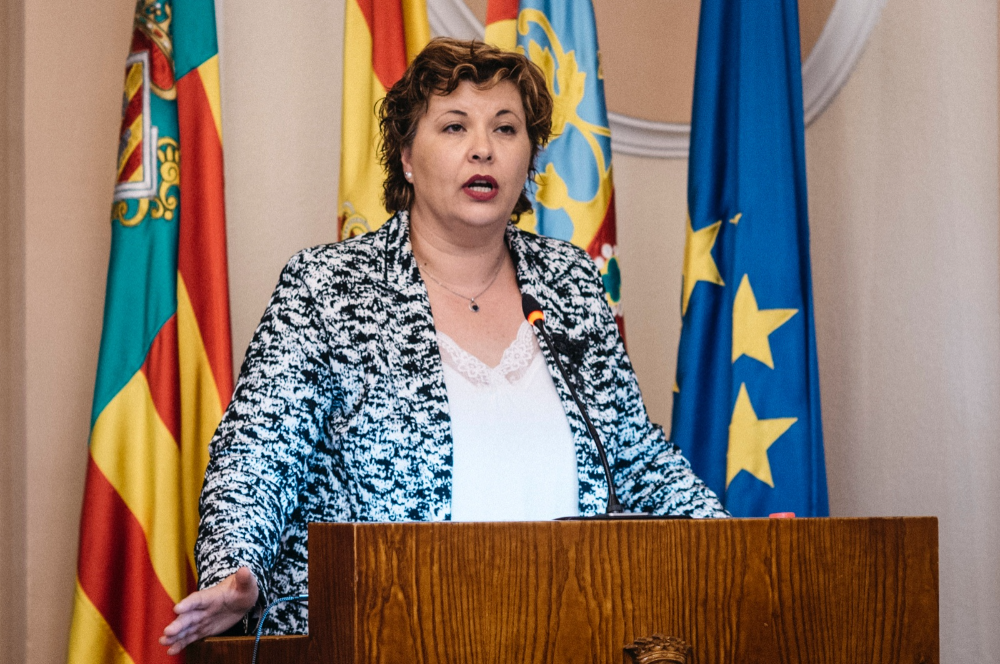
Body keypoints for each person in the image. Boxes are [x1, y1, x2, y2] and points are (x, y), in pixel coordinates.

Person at [160, 37, 727, 654]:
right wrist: (234, 567)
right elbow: (256, 455)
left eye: (506, 128)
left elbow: (636, 458)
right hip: (382, 640)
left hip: (572, 635)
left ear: (529, 158)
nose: (484, 148)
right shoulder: (328, 288)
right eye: (455, 126)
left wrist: (733, 542)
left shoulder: (569, 283)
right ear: (406, 156)